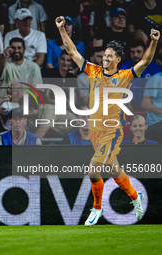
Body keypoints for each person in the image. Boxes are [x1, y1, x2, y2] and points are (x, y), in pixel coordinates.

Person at [56, 15, 160, 226]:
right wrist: (61, 29)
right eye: (104, 55)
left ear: (117, 60)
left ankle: (96, 207)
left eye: (109, 55)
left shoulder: (125, 76)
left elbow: (146, 61)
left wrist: (154, 41)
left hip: (111, 132)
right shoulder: (92, 71)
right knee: (114, 170)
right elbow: (72, 51)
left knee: (93, 169)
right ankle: (135, 197)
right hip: (94, 131)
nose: (105, 58)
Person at [121, 40, 160, 110]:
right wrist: (127, 103)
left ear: (145, 52)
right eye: (132, 52)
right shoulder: (124, 67)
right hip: (130, 104)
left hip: (150, 104)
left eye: (138, 52)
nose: (135, 55)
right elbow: (122, 87)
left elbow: (158, 89)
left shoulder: (154, 68)